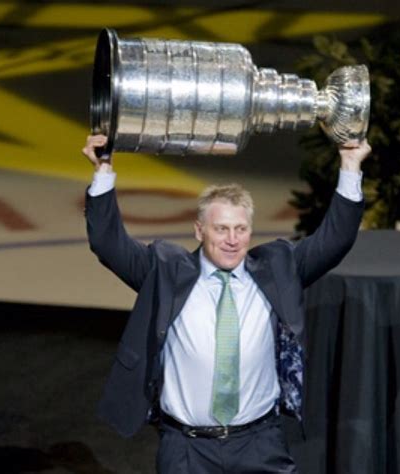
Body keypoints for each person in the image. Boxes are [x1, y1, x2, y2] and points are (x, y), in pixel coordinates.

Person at [82, 134, 371, 473]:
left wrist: (350, 166)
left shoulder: (278, 268)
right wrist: (103, 169)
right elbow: (107, 242)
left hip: (260, 444)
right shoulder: (164, 270)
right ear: (199, 230)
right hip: (186, 449)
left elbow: (334, 240)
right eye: (221, 229)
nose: (233, 240)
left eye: (241, 229)